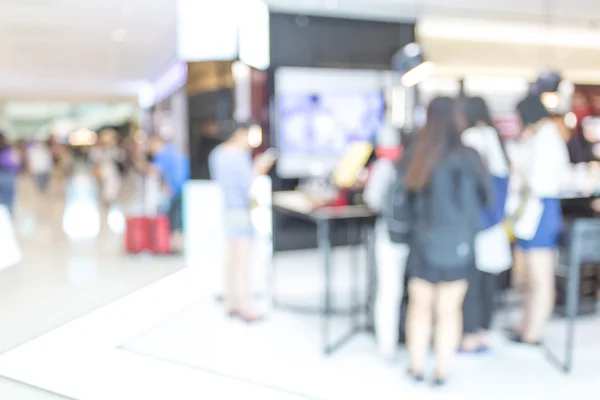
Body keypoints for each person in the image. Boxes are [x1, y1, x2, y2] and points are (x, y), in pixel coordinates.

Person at [401, 97, 491, 385]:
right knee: (449, 310)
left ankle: (416, 366)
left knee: (419, 306)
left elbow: (403, 202)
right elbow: (488, 199)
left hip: (422, 243)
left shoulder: (417, 153)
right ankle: (441, 370)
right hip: (460, 245)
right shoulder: (470, 156)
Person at [509, 96, 577, 345]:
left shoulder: (547, 138)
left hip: (542, 210)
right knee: (529, 277)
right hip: (532, 211)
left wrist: (519, 170)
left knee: (541, 276)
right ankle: (526, 326)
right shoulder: (539, 136)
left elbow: (539, 181)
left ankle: (533, 333)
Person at [208, 121, 274, 323]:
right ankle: (247, 308)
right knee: (244, 262)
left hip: (227, 210)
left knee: (231, 259)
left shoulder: (217, 154)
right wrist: (260, 168)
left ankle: (231, 302)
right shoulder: (238, 156)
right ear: (239, 134)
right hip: (242, 212)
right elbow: (249, 184)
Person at [459, 97, 511, 353]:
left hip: (476, 223)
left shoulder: (470, 138)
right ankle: (483, 332)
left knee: (472, 283)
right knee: (488, 283)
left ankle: (469, 336)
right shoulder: (495, 137)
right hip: (495, 222)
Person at [147, 136, 190, 253]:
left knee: (173, 219)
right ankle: (177, 245)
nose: (149, 149)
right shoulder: (174, 152)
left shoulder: (163, 154)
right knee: (179, 218)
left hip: (175, 191)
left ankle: (174, 246)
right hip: (182, 189)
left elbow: (154, 171)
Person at [0, 131, 21, 215]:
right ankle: (8, 216)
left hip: (5, 173)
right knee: (8, 200)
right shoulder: (9, 148)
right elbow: (16, 162)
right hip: (8, 174)